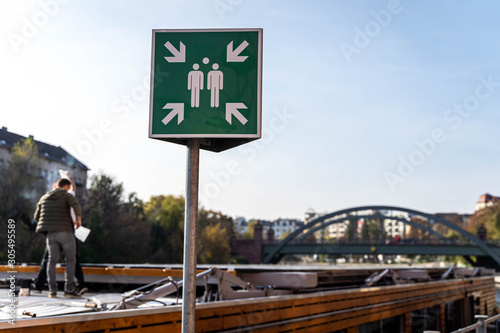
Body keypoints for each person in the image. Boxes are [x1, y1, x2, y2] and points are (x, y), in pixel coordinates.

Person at [33, 172, 88, 295]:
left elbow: (36, 216)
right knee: (70, 260)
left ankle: (52, 290)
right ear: (65, 187)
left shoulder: (44, 197)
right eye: (68, 188)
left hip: (50, 234)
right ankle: (68, 289)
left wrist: (46, 226)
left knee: (51, 261)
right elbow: (76, 205)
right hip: (66, 232)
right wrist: (78, 219)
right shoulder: (66, 195)